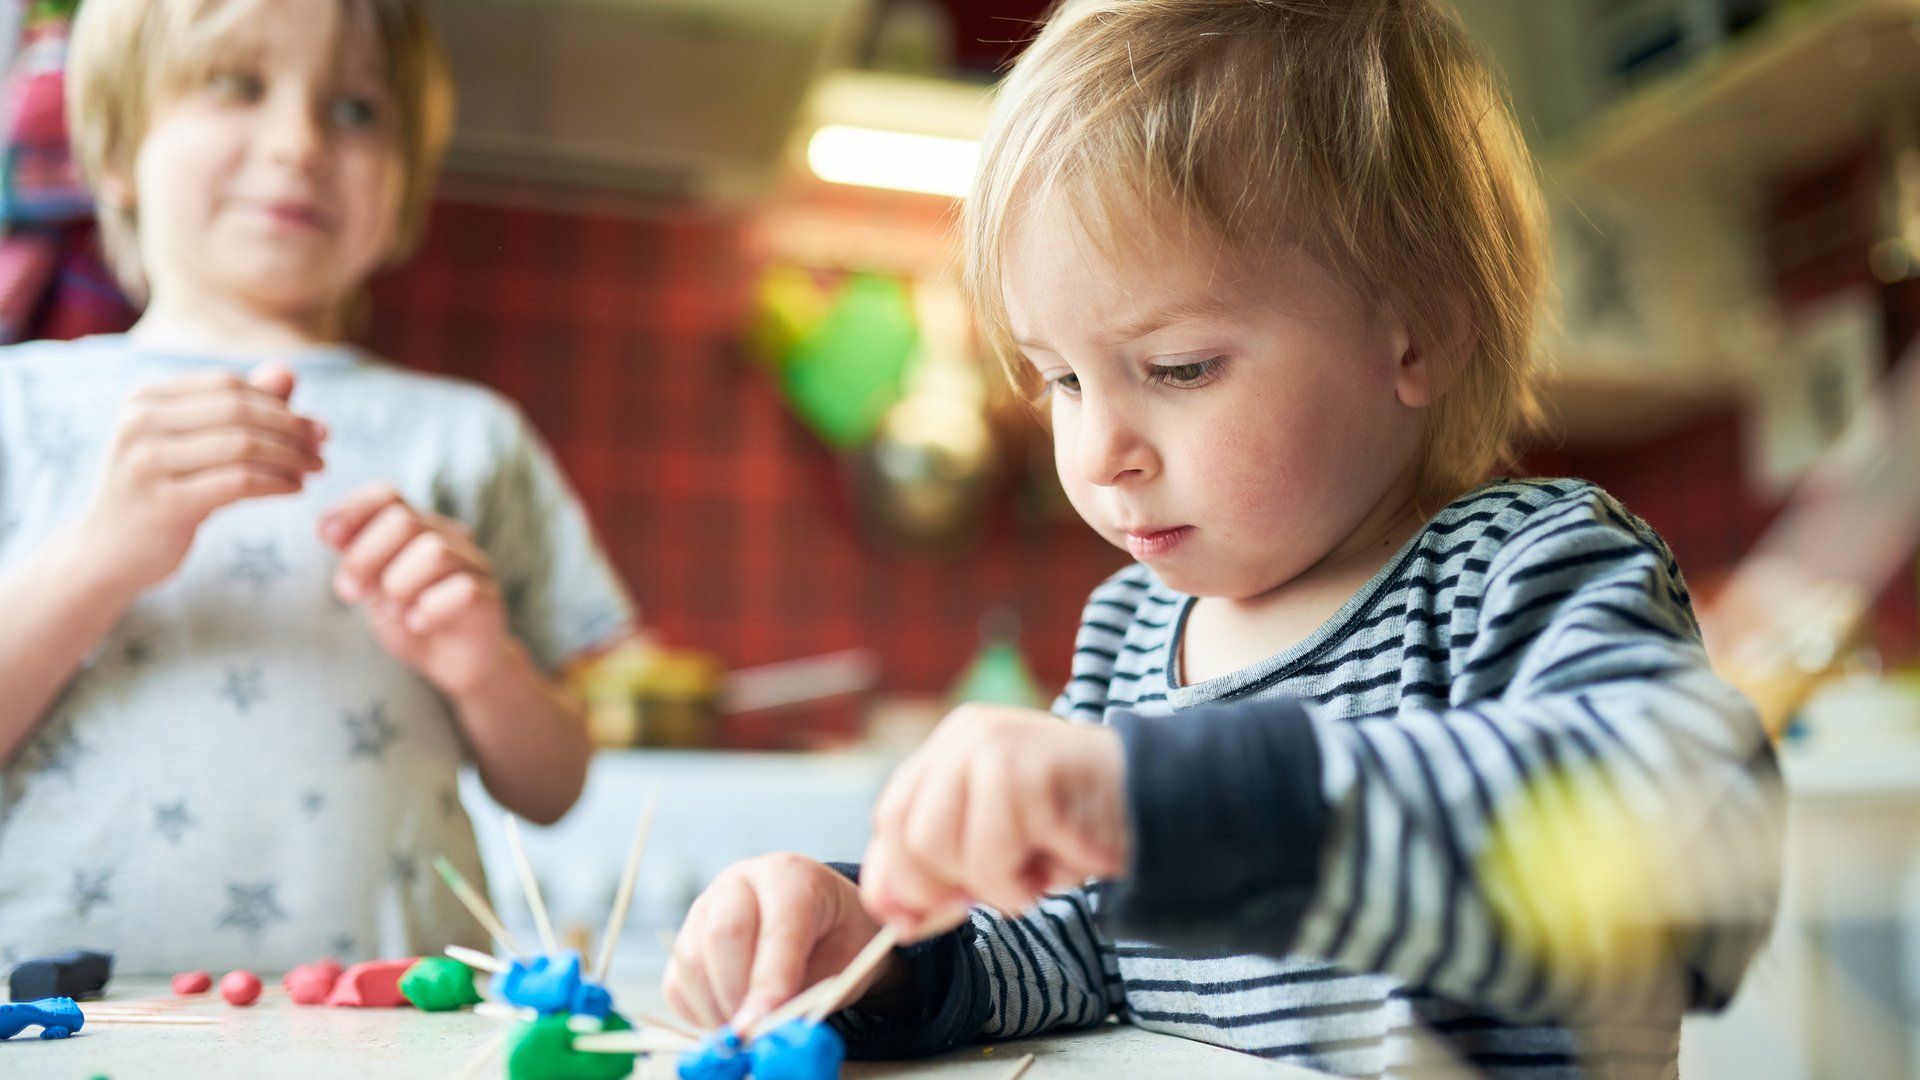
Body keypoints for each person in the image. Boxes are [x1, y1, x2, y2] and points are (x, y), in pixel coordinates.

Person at [662, 1, 1783, 1075]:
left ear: (1420, 334)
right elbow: (1068, 953)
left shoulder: (1523, 571)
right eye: (1058, 378)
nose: (1098, 451)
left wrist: (1161, 803)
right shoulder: (1131, 634)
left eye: (1179, 367)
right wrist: (870, 949)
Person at [0, 0, 634, 974]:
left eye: (356, 111)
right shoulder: (20, 405)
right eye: (236, 84)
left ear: (405, 188)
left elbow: (555, 788)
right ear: (116, 148)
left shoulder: (474, 437)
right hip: (50, 1026)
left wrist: (483, 665)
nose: (298, 143)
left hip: (400, 1035)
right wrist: (102, 553)